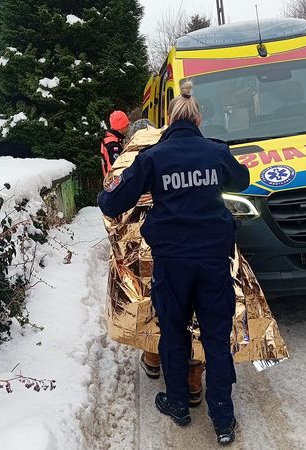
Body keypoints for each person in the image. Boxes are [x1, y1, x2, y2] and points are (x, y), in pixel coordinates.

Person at [98, 81, 250, 446]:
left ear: (168, 120)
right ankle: (223, 420)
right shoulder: (215, 152)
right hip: (213, 260)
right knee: (215, 336)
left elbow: (113, 202)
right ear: (198, 119)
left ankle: (178, 404)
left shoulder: (153, 158)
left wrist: (107, 190)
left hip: (172, 262)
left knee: (173, 331)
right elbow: (242, 180)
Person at [101, 110, 130, 177]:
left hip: (110, 179)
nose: (128, 126)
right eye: (126, 125)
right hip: (115, 179)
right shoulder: (114, 145)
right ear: (121, 126)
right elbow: (118, 167)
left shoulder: (110, 140)